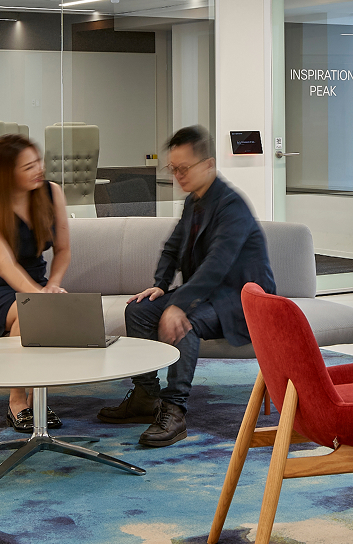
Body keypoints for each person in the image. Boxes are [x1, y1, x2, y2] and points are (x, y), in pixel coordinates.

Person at [97, 125, 276, 447]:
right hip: (207, 291)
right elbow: (171, 247)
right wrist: (161, 286)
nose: (177, 175)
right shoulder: (194, 201)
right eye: (173, 168)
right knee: (139, 310)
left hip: (241, 297)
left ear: (208, 164)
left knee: (184, 323)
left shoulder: (231, 205)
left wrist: (179, 305)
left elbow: (218, 265)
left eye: (184, 168)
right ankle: (145, 397)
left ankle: (175, 409)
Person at [0, 134, 71, 433]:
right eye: (28, 166)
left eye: (39, 162)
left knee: (37, 308)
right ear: (7, 174)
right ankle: (17, 402)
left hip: (35, 284)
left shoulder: (51, 192)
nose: (39, 170)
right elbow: (4, 265)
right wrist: (39, 297)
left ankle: (38, 396)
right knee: (30, 312)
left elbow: (63, 250)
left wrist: (52, 287)